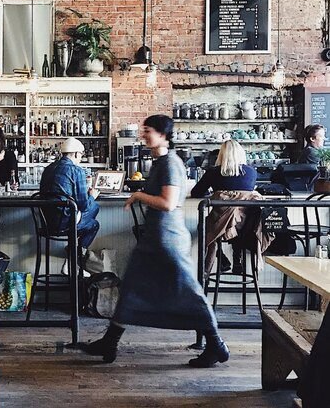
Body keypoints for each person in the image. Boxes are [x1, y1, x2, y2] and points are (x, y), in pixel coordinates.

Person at [79, 115, 229, 368]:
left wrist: (138, 195)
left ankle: (216, 344)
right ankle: (110, 342)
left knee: (188, 291)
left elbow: (168, 203)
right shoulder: (161, 162)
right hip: (156, 237)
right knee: (131, 288)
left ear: (162, 134)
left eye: (148, 130)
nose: (143, 135)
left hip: (167, 239)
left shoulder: (170, 163)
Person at [191, 139, 259, 275]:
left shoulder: (213, 172)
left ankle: (221, 258)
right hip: (246, 225)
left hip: (220, 225)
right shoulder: (251, 172)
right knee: (234, 218)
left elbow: (196, 192)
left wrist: (214, 193)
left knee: (206, 226)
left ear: (221, 155)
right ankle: (237, 259)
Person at [39, 137, 100, 274]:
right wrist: (92, 196)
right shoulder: (76, 170)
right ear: (77, 154)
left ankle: (72, 253)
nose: (81, 158)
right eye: (81, 155)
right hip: (64, 223)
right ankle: (72, 259)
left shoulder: (48, 169)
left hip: (47, 222)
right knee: (94, 219)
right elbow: (84, 205)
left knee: (90, 212)